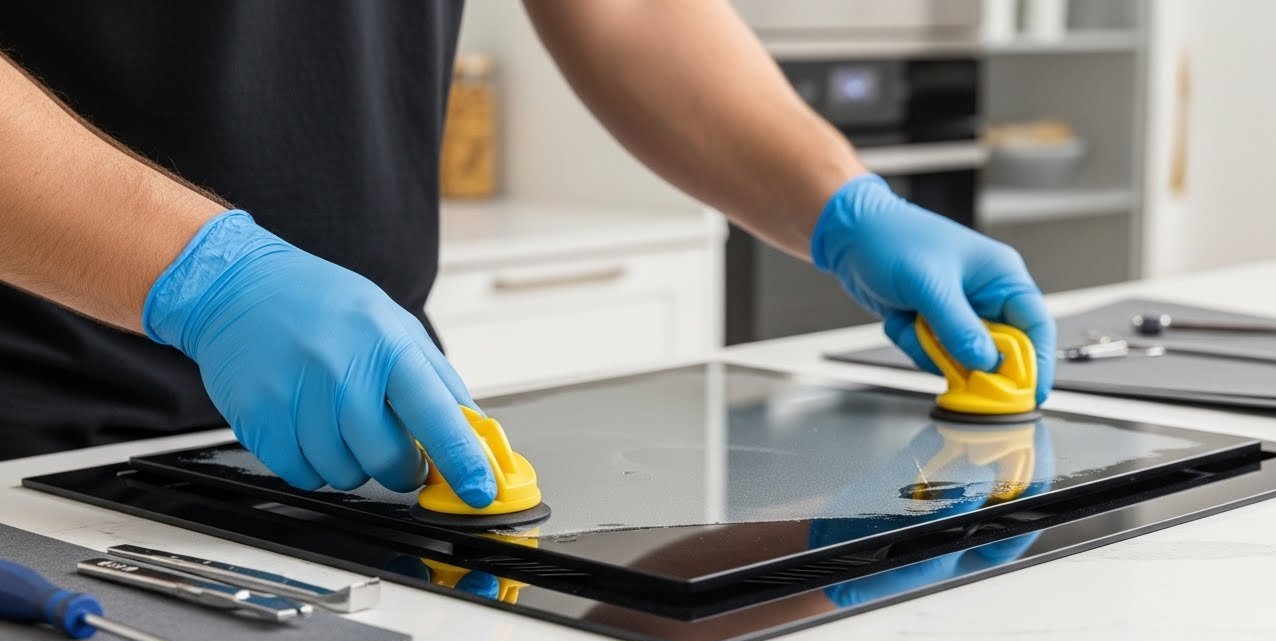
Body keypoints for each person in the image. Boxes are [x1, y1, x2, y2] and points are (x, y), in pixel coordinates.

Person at [0, 1, 1055, 507]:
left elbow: (630, 11)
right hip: (29, 457)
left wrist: (841, 201)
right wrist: (208, 280)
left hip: (380, 453)